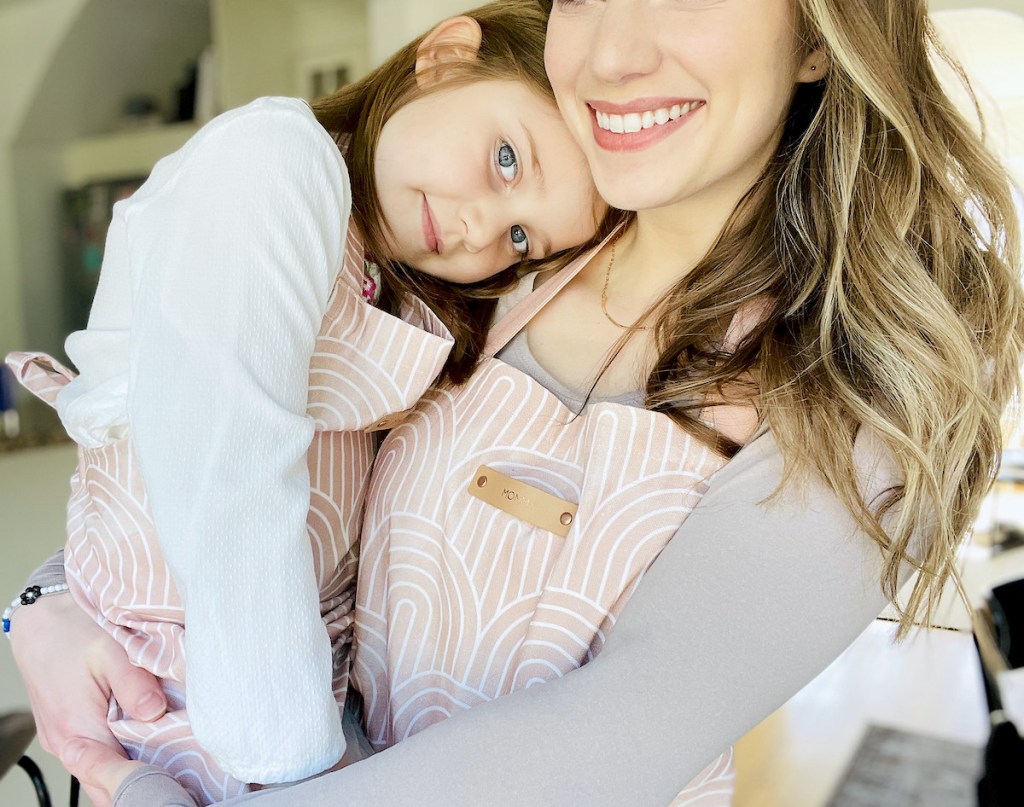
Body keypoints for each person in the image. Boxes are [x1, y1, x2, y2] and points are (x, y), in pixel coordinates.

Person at [10, 0, 1024, 805]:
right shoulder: (481, 268)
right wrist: (49, 608)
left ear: (817, 29)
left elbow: (619, 736)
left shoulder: (860, 367)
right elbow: (240, 456)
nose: (613, 55)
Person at [3, 2, 603, 804]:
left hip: (280, 691)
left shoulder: (400, 290)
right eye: (504, 159)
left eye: (523, 237)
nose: (477, 228)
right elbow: (227, 462)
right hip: (201, 696)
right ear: (448, 55)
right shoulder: (274, 160)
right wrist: (304, 768)